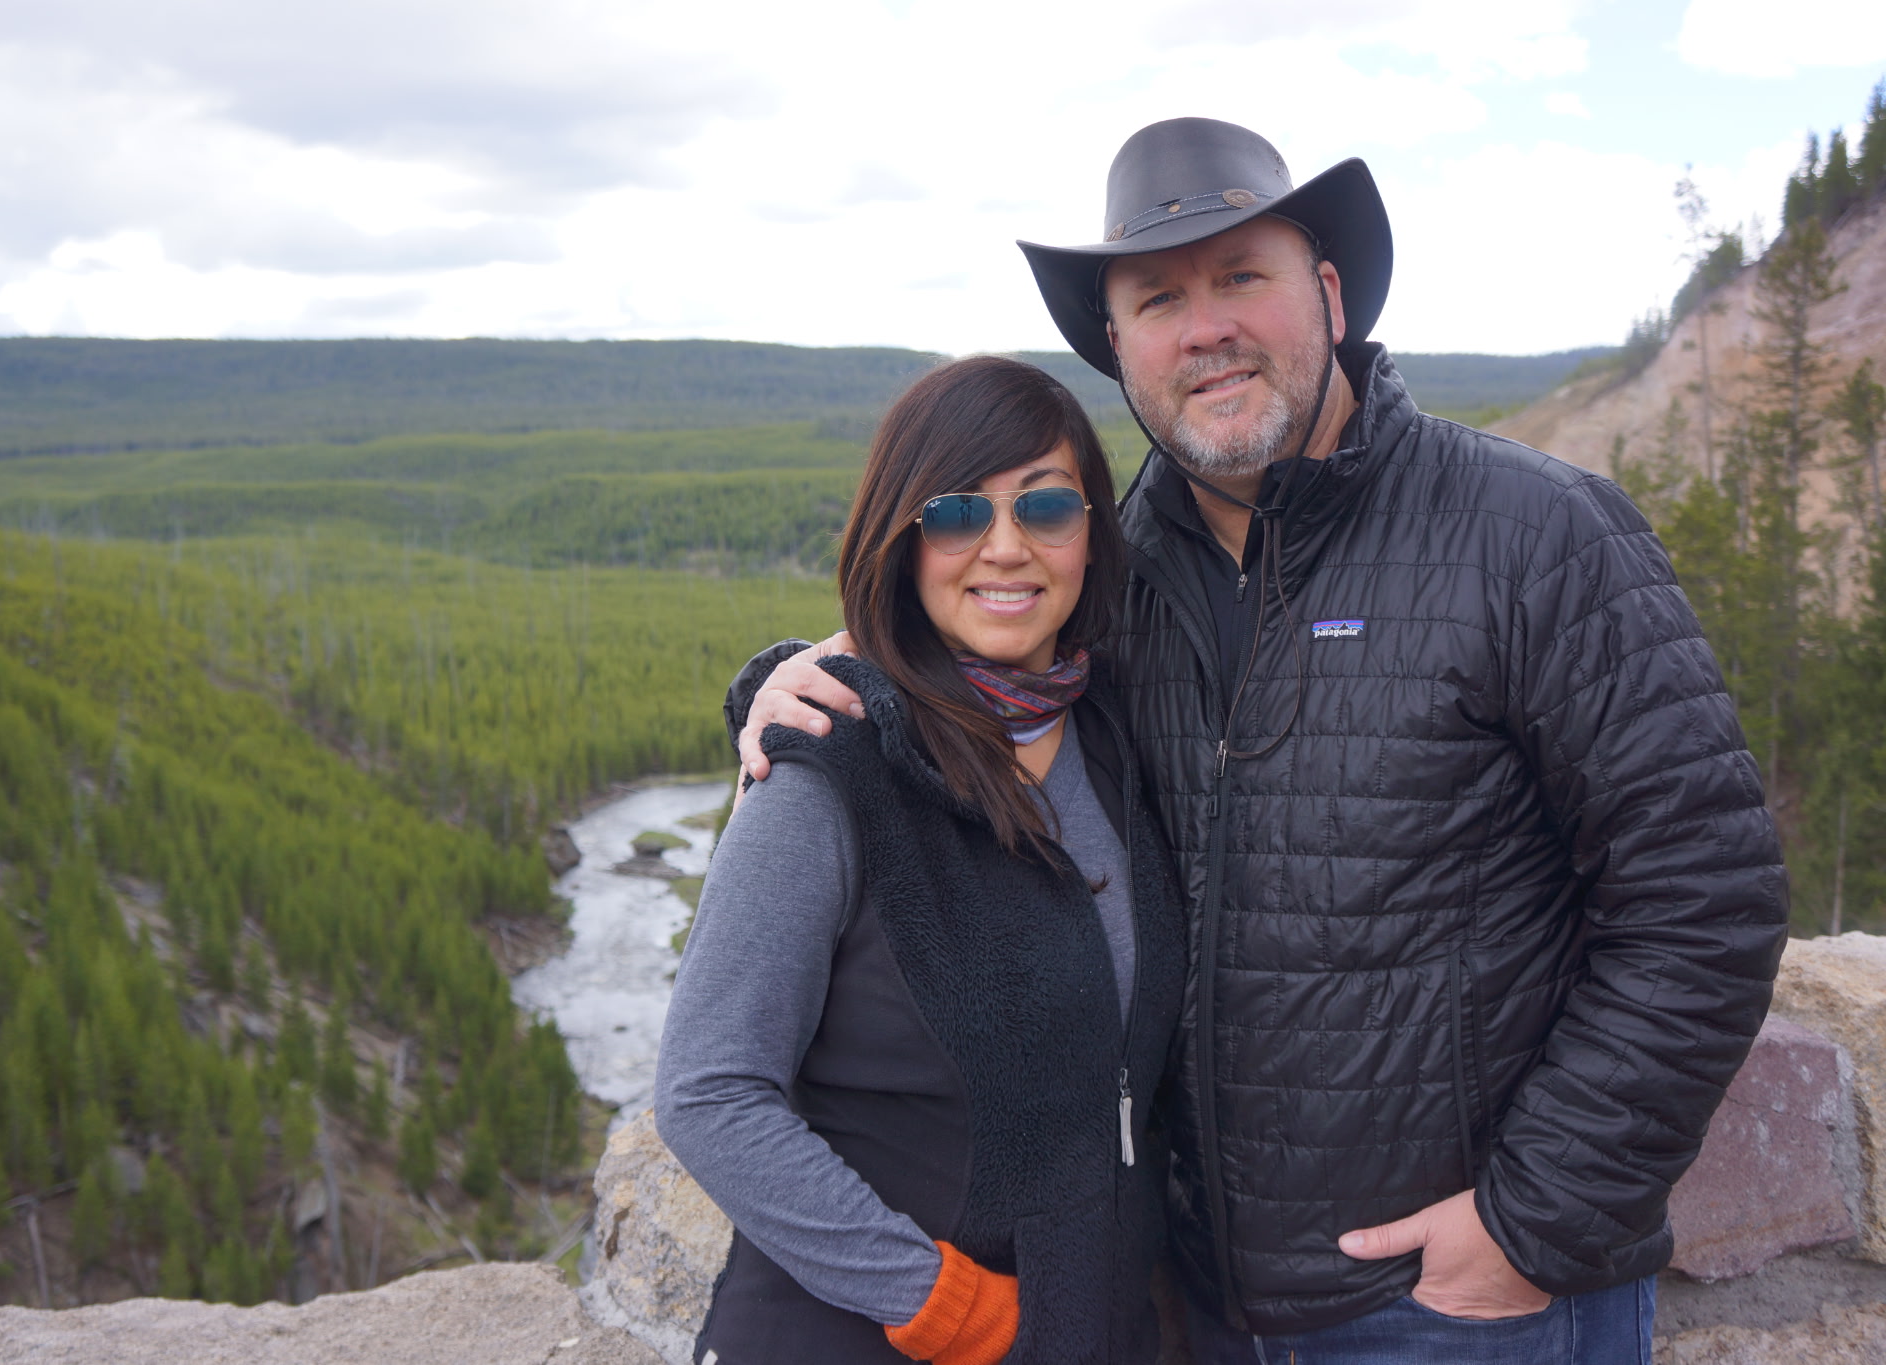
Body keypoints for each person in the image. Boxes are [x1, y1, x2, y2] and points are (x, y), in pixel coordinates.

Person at [731, 119, 1789, 1363]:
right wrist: (789, 682)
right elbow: (967, 649)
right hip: (1203, 1305)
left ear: (1327, 295)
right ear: (1115, 346)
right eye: (1157, 299)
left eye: (1241, 276)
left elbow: (1704, 895)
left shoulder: (1533, 535)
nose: (1205, 328)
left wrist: (1531, 1222)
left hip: (1463, 1308)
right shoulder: (1116, 571)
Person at [656, 355, 1187, 1364]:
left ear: (1091, 532)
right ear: (901, 539)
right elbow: (708, 1091)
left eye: (1045, 506)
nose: (1005, 547)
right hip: (860, 1334)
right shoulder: (829, 763)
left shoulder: (1115, 735)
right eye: (955, 513)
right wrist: (938, 1302)